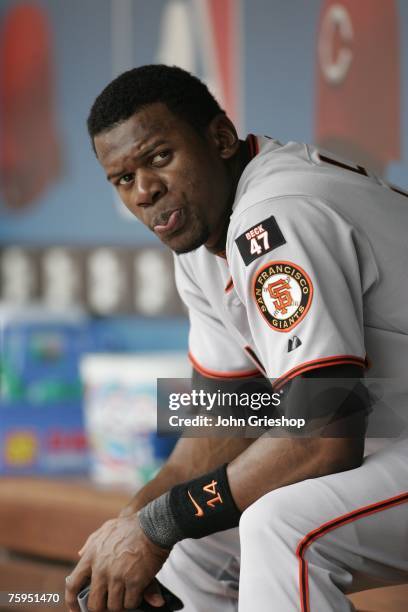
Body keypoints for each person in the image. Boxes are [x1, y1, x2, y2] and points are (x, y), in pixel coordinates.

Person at [65, 65, 408, 612]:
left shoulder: (274, 212)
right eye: (123, 179)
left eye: (158, 158)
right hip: (395, 443)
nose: (145, 190)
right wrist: (131, 525)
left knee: (283, 528)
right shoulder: (204, 236)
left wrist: (157, 523)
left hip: (374, 442)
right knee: (186, 548)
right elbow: (225, 419)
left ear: (220, 139)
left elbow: (324, 437)